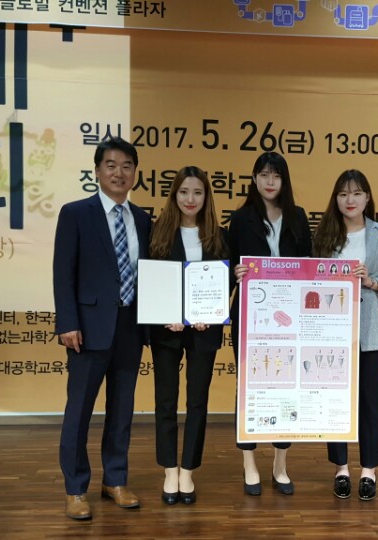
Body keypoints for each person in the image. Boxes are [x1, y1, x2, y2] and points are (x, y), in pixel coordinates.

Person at [53, 137, 151, 521]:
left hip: (130, 326)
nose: (119, 173)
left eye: (127, 166)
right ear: (97, 171)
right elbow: (64, 272)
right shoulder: (76, 213)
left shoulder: (142, 219)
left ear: (135, 173)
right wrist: (67, 322)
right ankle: (75, 488)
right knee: (79, 411)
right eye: (111, 165)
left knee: (122, 409)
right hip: (87, 329)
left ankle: (115, 480)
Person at [227, 151, 312, 496]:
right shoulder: (240, 218)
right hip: (251, 316)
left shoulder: (298, 216)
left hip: (290, 317)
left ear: (284, 180)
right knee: (248, 387)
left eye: (275, 175)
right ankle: (249, 463)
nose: (270, 181)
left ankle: (280, 464)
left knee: (287, 386)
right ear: (254, 179)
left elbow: (309, 264)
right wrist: (235, 272)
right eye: (263, 174)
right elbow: (228, 266)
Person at [312, 169, 378, 502]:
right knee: (334, 399)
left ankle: (368, 471)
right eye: (344, 194)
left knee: (369, 401)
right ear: (335, 199)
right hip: (331, 327)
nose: (350, 200)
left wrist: (370, 280)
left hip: (371, 329)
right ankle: (341, 469)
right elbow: (312, 278)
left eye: (357, 193)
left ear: (367, 198)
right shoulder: (323, 233)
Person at [148, 166, 229, 506]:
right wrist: (166, 313)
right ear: (174, 195)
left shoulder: (219, 235)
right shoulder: (158, 231)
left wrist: (210, 313)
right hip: (166, 330)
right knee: (165, 400)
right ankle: (169, 469)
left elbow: (227, 281)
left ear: (206, 196)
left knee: (197, 401)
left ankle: (188, 470)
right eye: (184, 192)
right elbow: (150, 279)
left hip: (203, 331)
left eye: (197, 192)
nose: (190, 199)